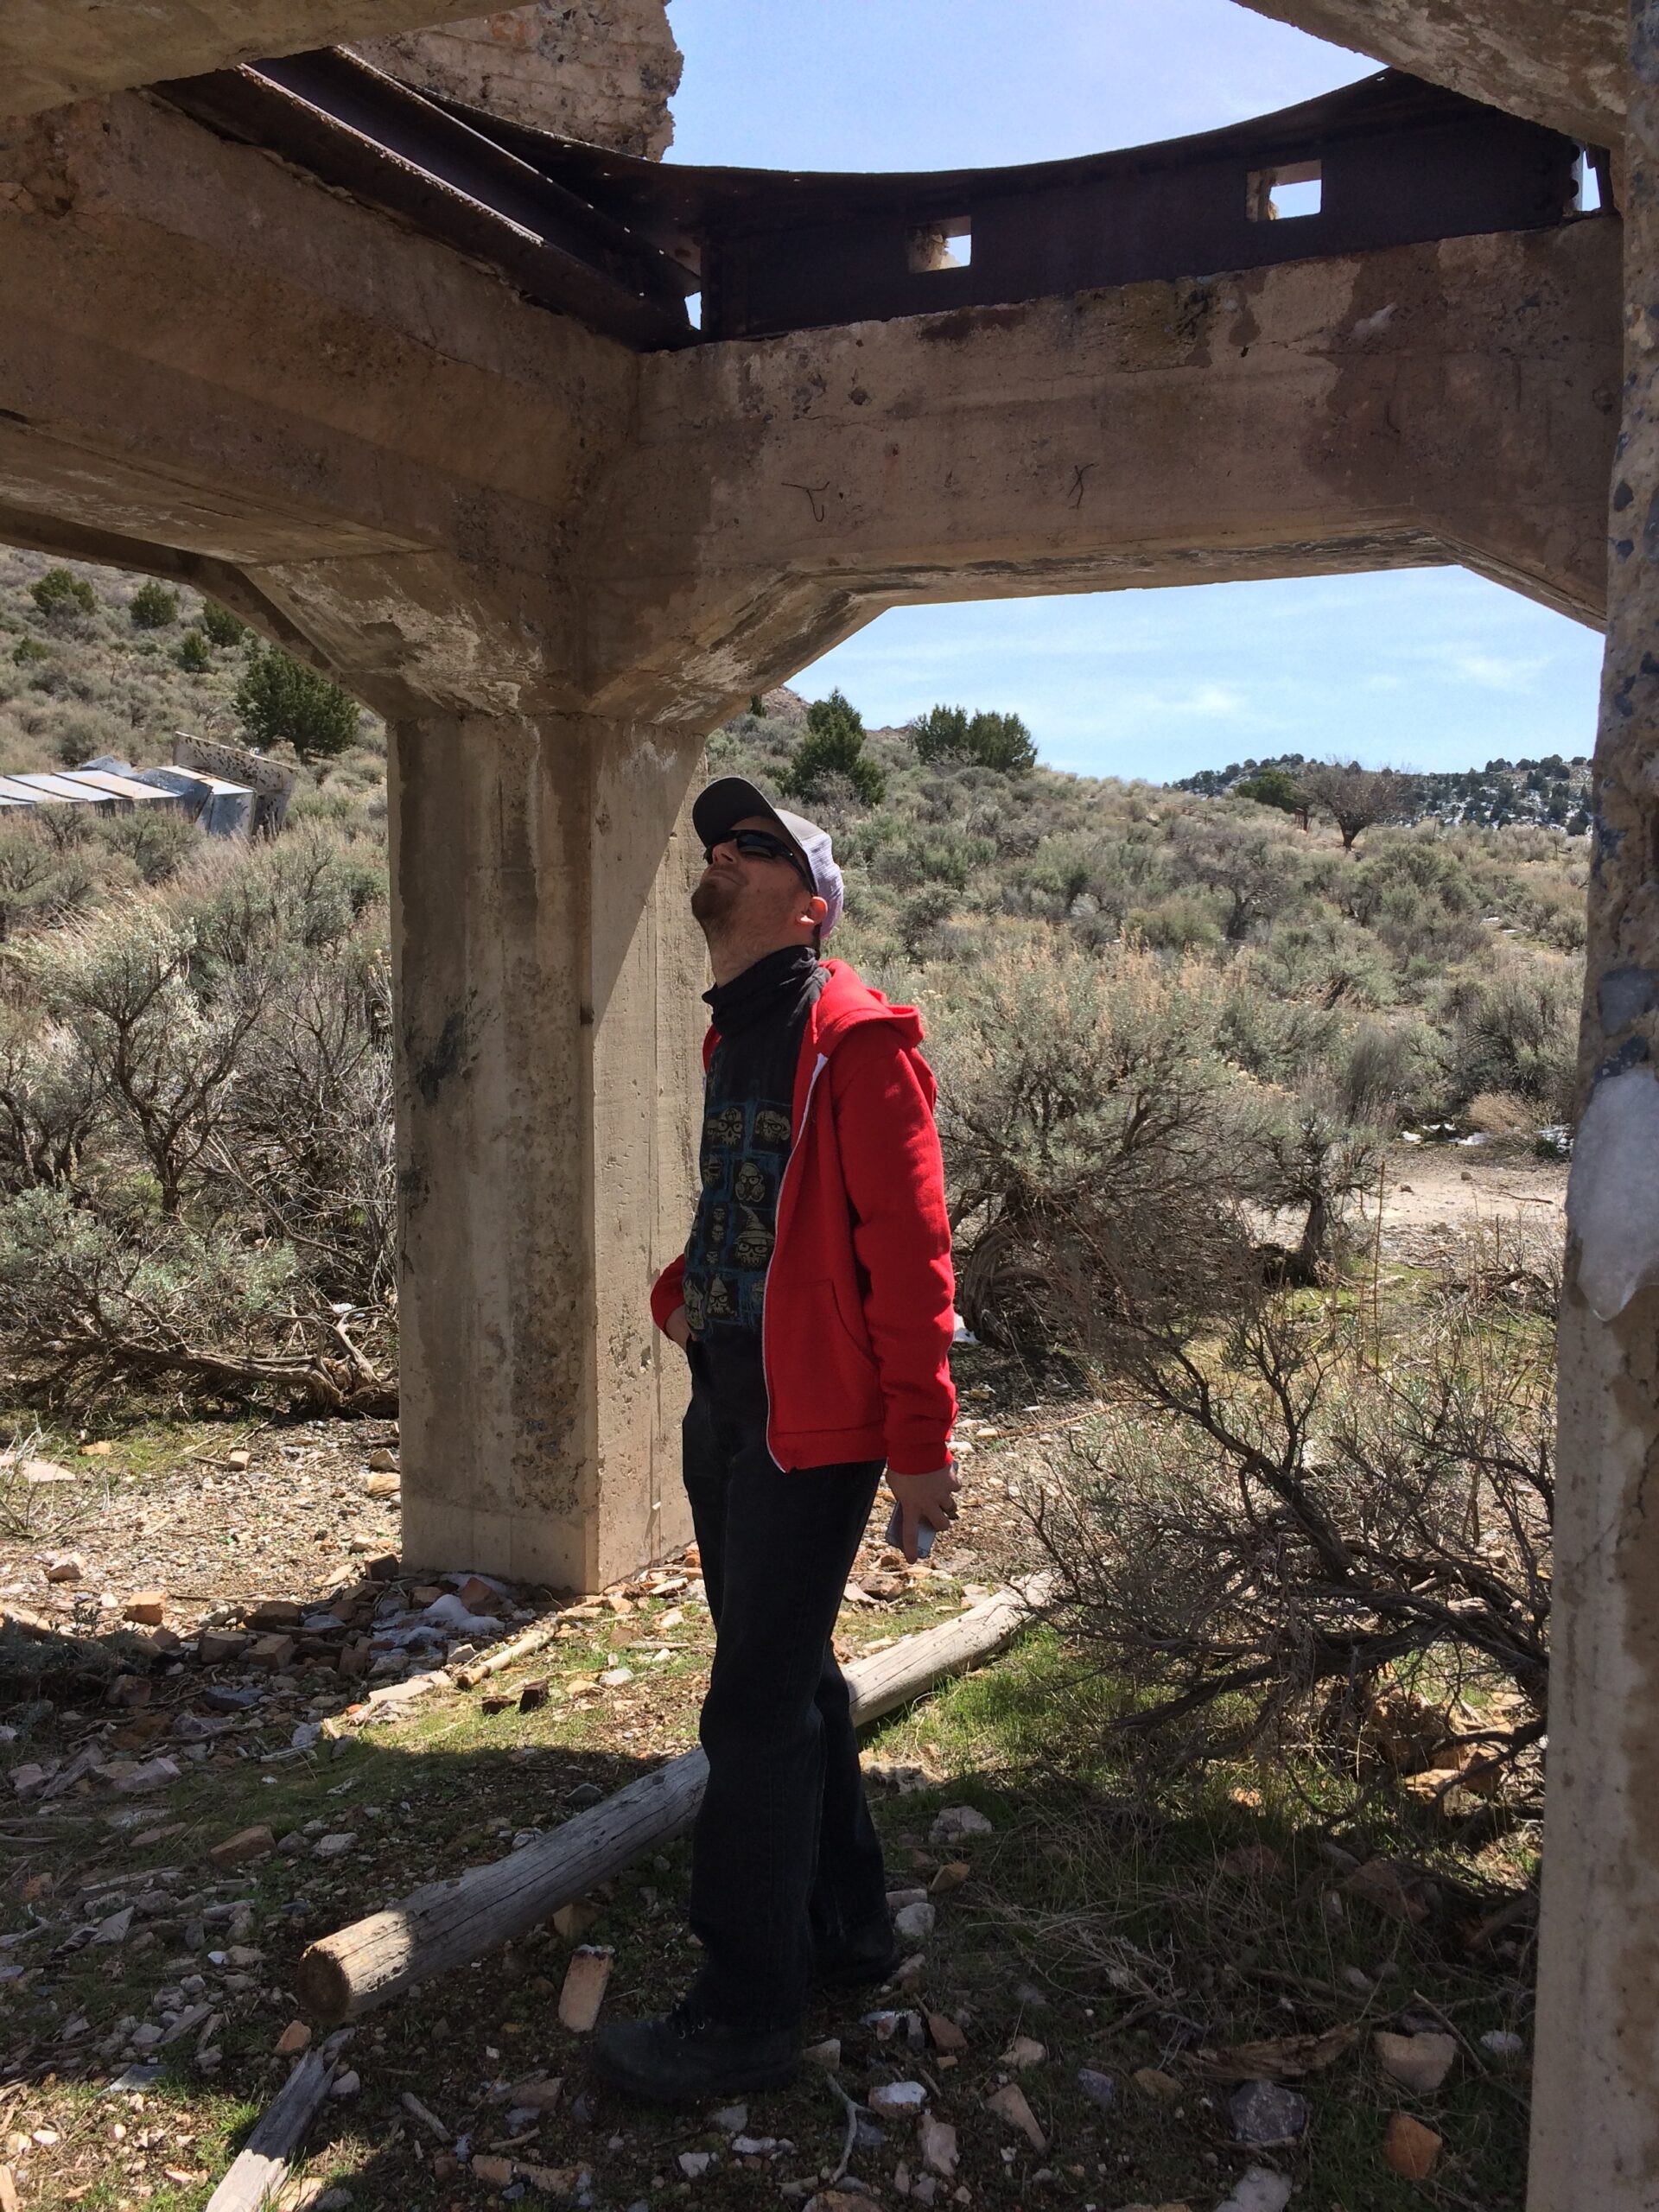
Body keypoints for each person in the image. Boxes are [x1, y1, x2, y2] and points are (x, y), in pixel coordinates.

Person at [591, 773, 960, 2103]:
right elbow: (743, 1202)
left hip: (815, 1425)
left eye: (752, 845)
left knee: (750, 1709)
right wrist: (684, 1295)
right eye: (716, 840)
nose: (722, 854)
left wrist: (923, 1442)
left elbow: (911, 1254)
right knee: (788, 1677)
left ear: (810, 907)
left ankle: (745, 2016)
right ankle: (847, 1932)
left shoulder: (855, 1040)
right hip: (732, 1396)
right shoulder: (736, 1034)